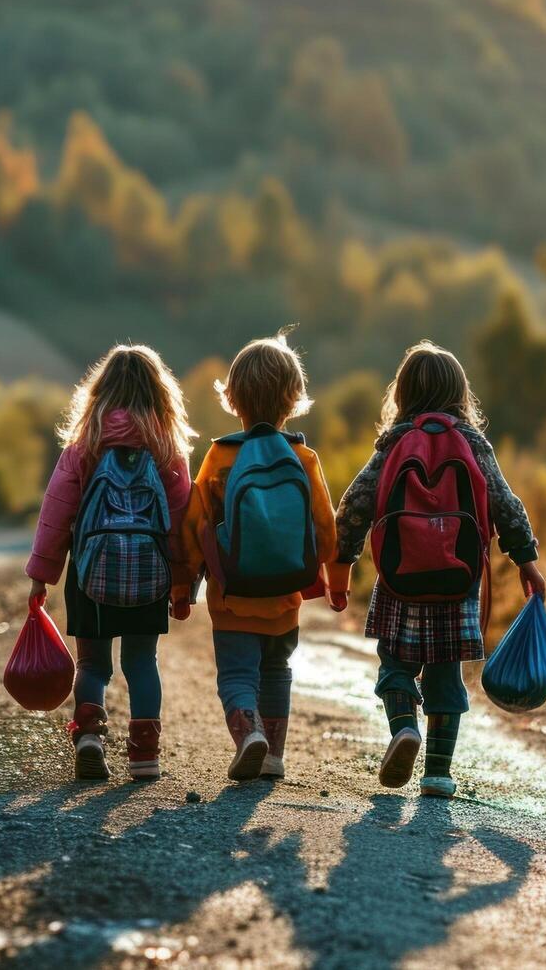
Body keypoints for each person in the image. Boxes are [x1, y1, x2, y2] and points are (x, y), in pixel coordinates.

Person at [331, 342, 545, 798]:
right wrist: (526, 560)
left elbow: (353, 506)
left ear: (402, 393)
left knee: (395, 667)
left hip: (399, 581)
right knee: (446, 678)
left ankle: (404, 728)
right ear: (461, 394)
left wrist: (341, 562)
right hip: (456, 581)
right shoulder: (472, 443)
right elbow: (506, 506)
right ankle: (438, 773)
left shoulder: (391, 445)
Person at [27, 345, 196, 781]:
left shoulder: (85, 446)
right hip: (149, 575)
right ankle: (144, 755)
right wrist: (181, 584)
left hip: (90, 574)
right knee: (142, 663)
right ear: (161, 395)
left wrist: (42, 576)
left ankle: (89, 738)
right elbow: (178, 525)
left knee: (93, 665)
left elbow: (57, 512)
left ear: (99, 393)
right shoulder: (167, 451)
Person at [181, 334, 338, 781]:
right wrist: (328, 571)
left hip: (232, 597)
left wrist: (181, 585)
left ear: (232, 399)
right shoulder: (302, 456)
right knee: (276, 670)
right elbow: (326, 527)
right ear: (293, 398)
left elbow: (195, 524)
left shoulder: (220, 455)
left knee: (236, 676)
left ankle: (248, 733)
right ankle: (273, 756)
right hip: (284, 596)